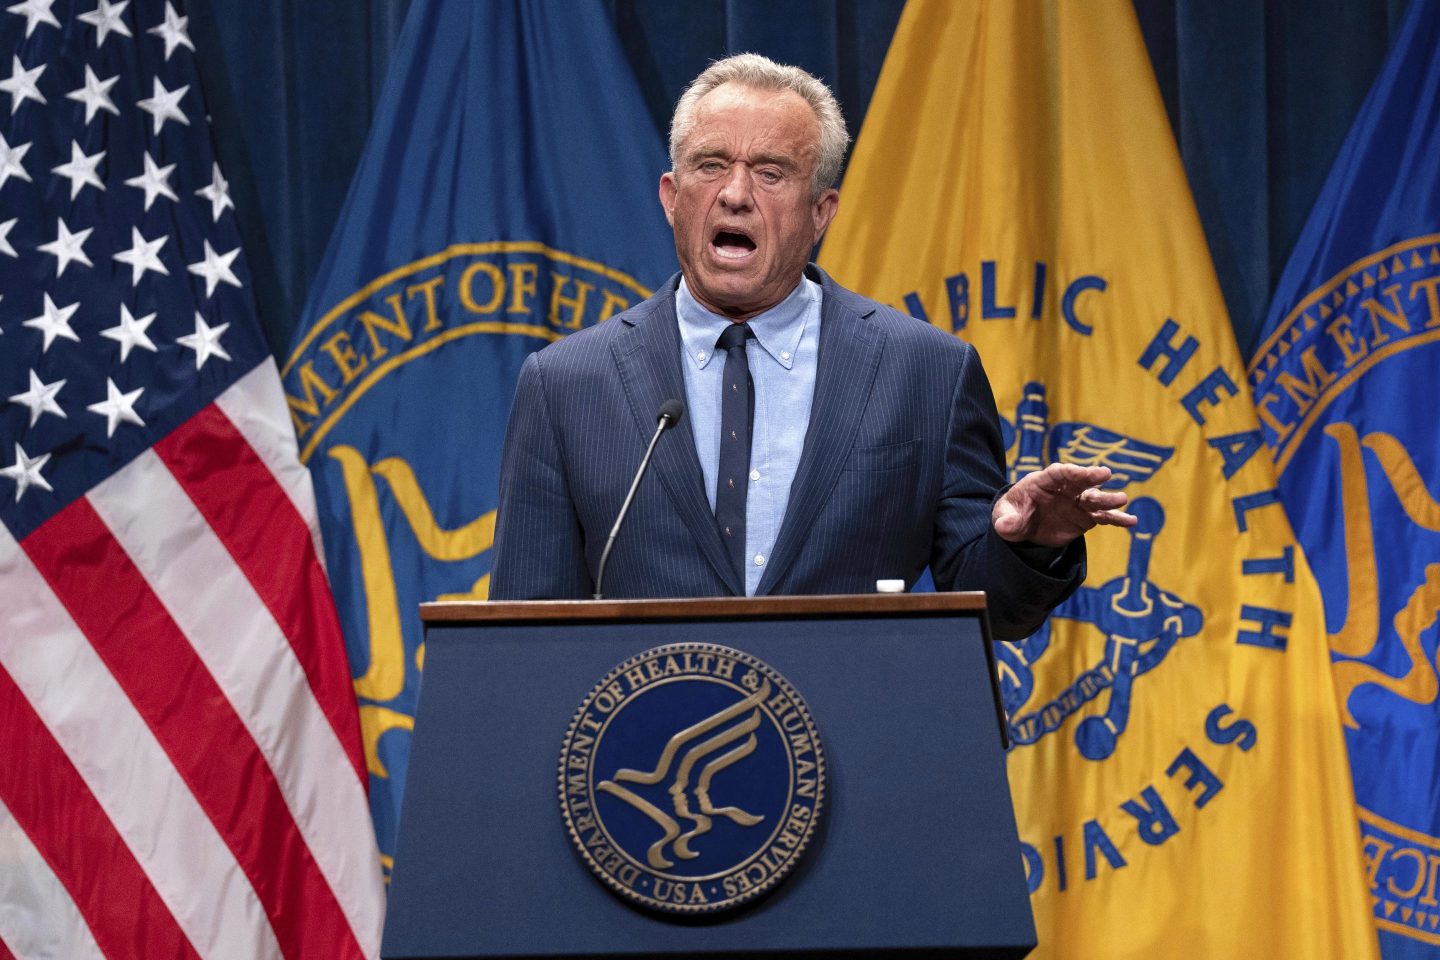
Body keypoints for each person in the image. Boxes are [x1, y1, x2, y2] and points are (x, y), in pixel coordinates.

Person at [488, 54, 1134, 640]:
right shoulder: (566, 384)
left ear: (822, 212)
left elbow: (997, 610)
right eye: (711, 166)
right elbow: (522, 636)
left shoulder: (927, 372)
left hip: (855, 729)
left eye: (771, 173)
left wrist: (1030, 544)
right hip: (645, 731)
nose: (735, 194)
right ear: (672, 198)